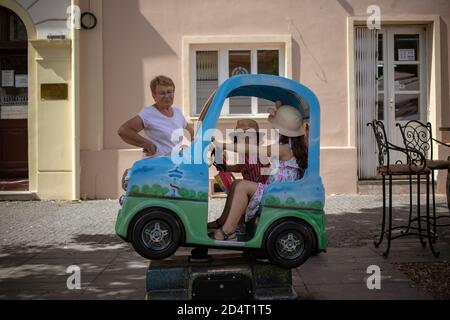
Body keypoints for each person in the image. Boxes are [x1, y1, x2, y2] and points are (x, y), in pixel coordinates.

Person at [212, 104, 308, 241]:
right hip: (277, 190)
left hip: (278, 194)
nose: (275, 129)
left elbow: (250, 149)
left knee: (241, 186)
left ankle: (228, 231)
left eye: (277, 127)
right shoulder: (291, 146)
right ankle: (223, 222)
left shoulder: (284, 149)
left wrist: (221, 144)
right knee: (238, 183)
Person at [118, 75, 194, 158]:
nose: (167, 96)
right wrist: (147, 144)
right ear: (154, 96)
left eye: (169, 92)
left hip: (173, 165)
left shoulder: (177, 112)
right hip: (155, 166)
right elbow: (123, 131)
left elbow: (192, 135)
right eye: (162, 93)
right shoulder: (148, 113)